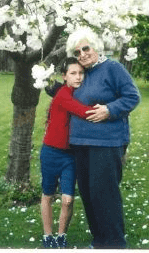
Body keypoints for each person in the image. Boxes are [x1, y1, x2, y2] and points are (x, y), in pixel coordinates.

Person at [66, 28, 141, 249]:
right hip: (80, 142)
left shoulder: (113, 68)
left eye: (85, 48)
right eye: (77, 52)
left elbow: (132, 96)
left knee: (105, 194)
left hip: (107, 142)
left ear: (96, 46)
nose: (82, 54)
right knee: (88, 194)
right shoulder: (80, 73)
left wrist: (109, 110)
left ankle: (115, 243)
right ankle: (99, 241)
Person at [38, 58, 104, 249]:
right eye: (73, 73)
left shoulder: (80, 93)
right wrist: (107, 112)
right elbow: (83, 112)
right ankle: (48, 236)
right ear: (64, 76)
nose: (78, 77)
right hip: (51, 152)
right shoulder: (63, 95)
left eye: (81, 73)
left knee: (68, 200)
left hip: (70, 155)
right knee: (48, 195)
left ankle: (62, 236)